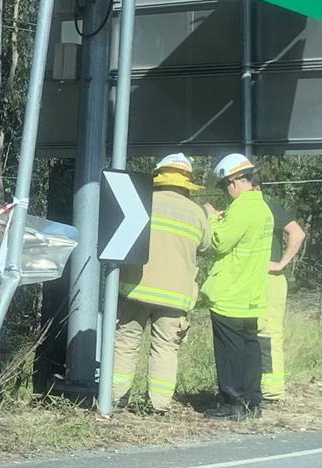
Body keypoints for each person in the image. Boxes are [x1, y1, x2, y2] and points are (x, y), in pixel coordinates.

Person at [111, 153, 212, 414]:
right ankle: (159, 406)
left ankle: (116, 399)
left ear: (159, 176)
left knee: (126, 342)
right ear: (187, 182)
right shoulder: (197, 213)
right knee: (166, 348)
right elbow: (205, 245)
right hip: (176, 295)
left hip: (136, 287)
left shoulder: (143, 203)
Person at [202, 154, 274, 420]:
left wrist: (211, 217)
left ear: (234, 181)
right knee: (250, 349)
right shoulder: (262, 208)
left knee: (229, 353)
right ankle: (252, 402)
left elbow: (220, 242)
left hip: (231, 293)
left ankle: (233, 403)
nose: (226, 191)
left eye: (224, 186)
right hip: (252, 293)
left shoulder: (243, 207)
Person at [254, 178, 306, 402]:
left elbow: (297, 233)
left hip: (270, 280)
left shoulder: (270, 208)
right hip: (254, 279)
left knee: (267, 334)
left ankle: (272, 390)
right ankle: (259, 385)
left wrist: (281, 263)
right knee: (255, 334)